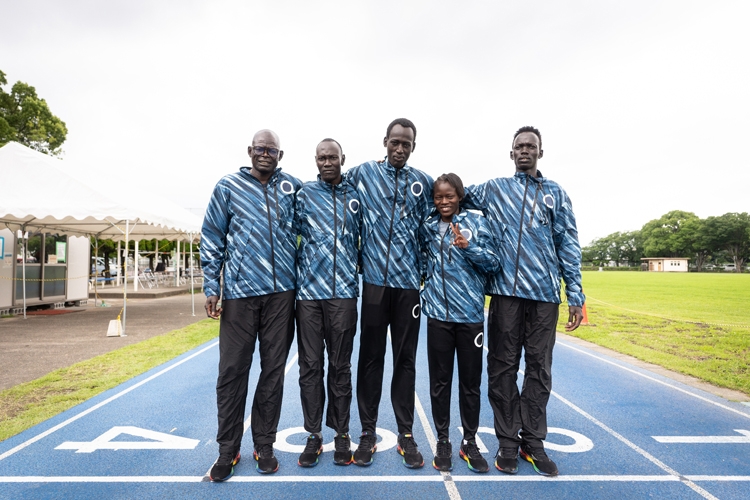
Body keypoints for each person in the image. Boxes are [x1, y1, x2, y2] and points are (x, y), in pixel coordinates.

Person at [463, 126, 585, 477]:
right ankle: (506, 441)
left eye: (531, 146)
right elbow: (452, 195)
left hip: (545, 296)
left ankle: (533, 440)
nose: (525, 151)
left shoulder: (556, 194)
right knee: (501, 368)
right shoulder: (494, 189)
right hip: (504, 294)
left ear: (540, 153)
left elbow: (569, 243)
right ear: (511, 153)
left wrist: (574, 293)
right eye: (519, 146)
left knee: (539, 369)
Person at [201, 129, 302, 481]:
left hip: (282, 295)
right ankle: (227, 450)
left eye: (271, 151)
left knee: (273, 372)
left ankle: (264, 444)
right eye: (260, 149)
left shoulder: (292, 187)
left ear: (280, 155)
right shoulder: (228, 186)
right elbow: (212, 235)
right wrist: (212, 285)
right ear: (249, 151)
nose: (265, 155)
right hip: (241, 295)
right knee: (232, 373)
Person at [345, 118, 434, 468]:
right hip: (374, 287)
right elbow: (331, 184)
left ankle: (406, 435)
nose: (399, 149)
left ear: (413, 147)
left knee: (405, 360)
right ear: (385, 141)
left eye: (406, 144)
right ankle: (367, 433)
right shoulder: (363, 173)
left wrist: (424, 270)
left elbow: (444, 210)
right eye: (395, 142)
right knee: (370, 359)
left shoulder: (422, 183)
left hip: (408, 287)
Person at [419, 173, 501, 473]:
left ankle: (469, 440)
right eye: (439, 197)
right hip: (438, 316)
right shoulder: (428, 227)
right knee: (439, 383)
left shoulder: (478, 223)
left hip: (469, 317)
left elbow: (494, 262)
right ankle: (443, 440)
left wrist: (469, 248)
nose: (443, 202)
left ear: (459, 196)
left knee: (470, 383)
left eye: (449, 196)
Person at [294, 139, 361, 467]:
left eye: (332, 156)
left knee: (340, 367)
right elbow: (287, 233)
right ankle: (313, 435)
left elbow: (368, 239)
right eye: (321, 157)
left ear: (342, 159)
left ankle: (342, 433)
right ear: (316, 161)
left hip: (344, 295)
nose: (327, 162)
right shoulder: (303, 195)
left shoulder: (356, 197)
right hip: (308, 296)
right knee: (310, 367)